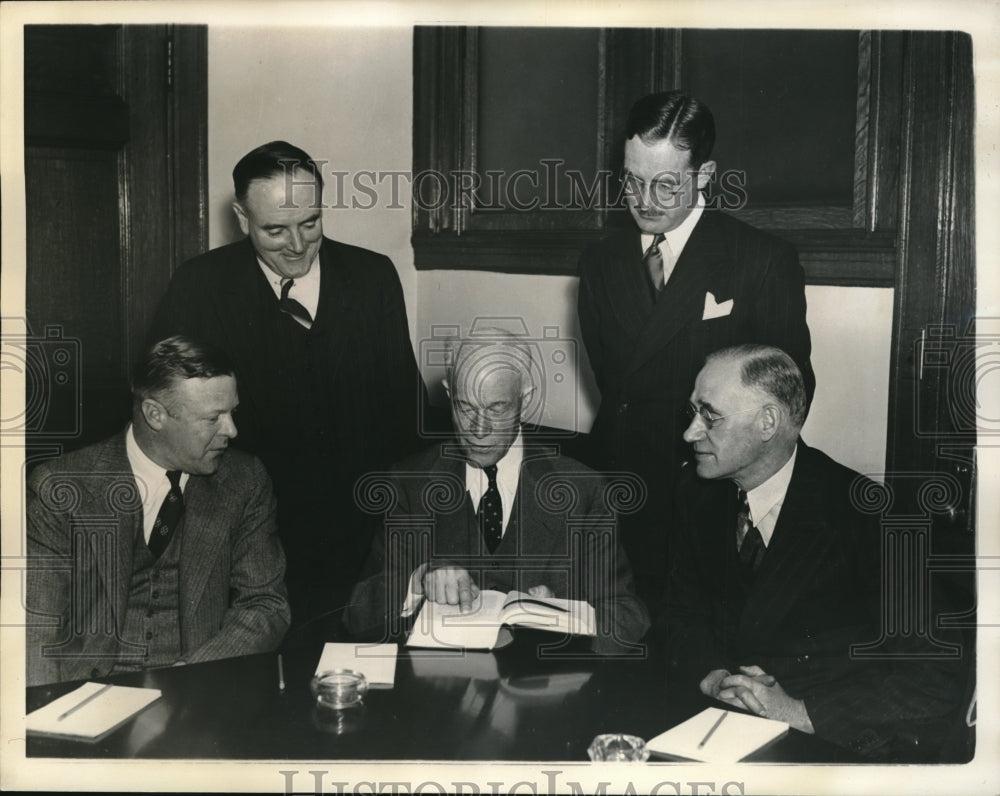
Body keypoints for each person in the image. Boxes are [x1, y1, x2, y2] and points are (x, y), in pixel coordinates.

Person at [147, 141, 427, 634]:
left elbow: (405, 413)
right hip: (247, 541)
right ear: (241, 217)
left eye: (311, 223)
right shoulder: (198, 287)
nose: (297, 246)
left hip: (360, 538)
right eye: (275, 229)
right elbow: (167, 418)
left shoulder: (372, 277)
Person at [577, 90, 815, 614]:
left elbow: (791, 395)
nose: (644, 199)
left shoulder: (760, 261)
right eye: (632, 180)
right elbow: (613, 383)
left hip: (709, 498)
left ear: (704, 174)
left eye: (665, 183)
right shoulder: (599, 262)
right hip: (620, 496)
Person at [666, 344, 962, 760]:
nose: (690, 432)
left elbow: (938, 675)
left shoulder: (869, 517)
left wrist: (800, 712)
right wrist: (714, 677)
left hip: (831, 742)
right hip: (720, 725)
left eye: (709, 416)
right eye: (692, 412)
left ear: (767, 422)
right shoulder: (697, 493)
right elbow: (681, 614)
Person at [346, 332, 650, 651]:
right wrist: (417, 581)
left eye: (497, 409)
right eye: (465, 408)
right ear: (449, 394)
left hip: (542, 693)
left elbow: (629, 617)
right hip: (441, 690)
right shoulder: (410, 482)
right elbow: (357, 615)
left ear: (526, 399)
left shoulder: (583, 490)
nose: (479, 430)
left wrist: (563, 619)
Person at [26, 336, 290, 686]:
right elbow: (36, 623)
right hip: (87, 695)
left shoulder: (244, 480)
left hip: (199, 690)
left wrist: (192, 676)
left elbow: (266, 605)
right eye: (214, 418)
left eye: (232, 412)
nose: (232, 430)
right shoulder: (61, 486)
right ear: (155, 414)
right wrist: (45, 718)